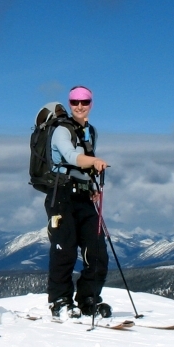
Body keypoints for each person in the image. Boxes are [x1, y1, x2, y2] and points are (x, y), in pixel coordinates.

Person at [44, 85, 111, 320]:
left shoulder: (91, 131)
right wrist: (94, 161)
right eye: (75, 102)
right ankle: (60, 301)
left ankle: (89, 298)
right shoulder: (62, 131)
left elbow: (84, 164)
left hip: (83, 195)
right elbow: (71, 157)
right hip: (61, 195)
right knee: (65, 250)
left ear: (91, 103)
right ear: (70, 104)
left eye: (84, 101)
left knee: (97, 251)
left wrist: (92, 185)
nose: (80, 106)